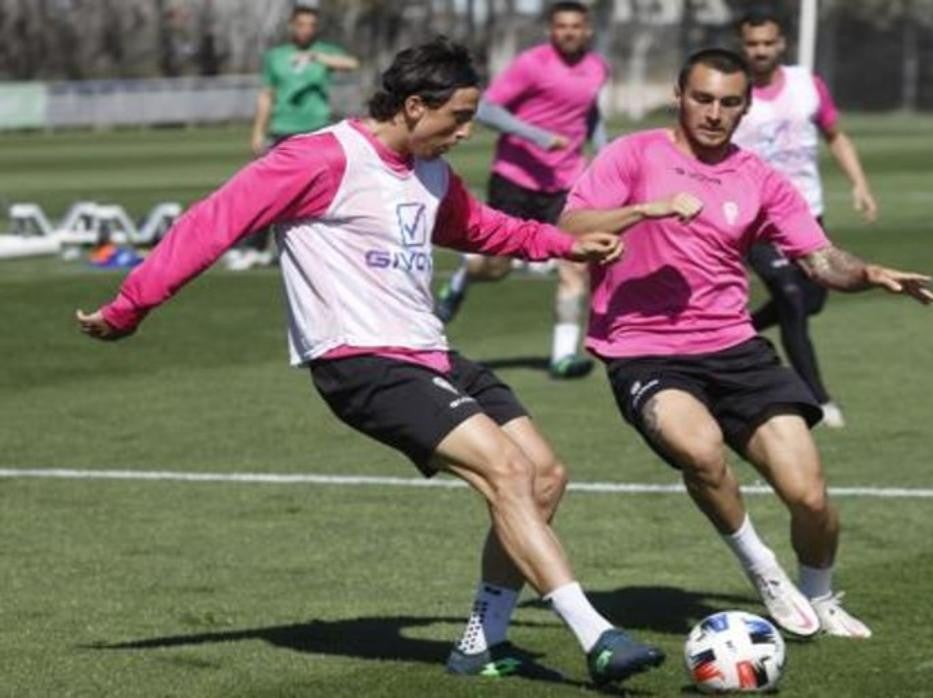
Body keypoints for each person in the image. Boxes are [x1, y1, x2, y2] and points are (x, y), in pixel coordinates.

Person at [75, 39, 664, 686]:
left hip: (429, 351)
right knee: (506, 469)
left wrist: (567, 243)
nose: (467, 132)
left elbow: (487, 230)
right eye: (458, 117)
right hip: (361, 360)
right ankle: (596, 633)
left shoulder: (429, 171)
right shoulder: (321, 158)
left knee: (546, 474)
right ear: (414, 105)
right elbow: (213, 223)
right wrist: (132, 306)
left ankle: (483, 642)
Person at [558, 49, 933, 639]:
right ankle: (762, 568)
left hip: (734, 348)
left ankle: (821, 594)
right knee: (701, 451)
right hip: (643, 350)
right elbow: (569, 228)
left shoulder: (757, 178)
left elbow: (819, 258)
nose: (713, 113)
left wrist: (866, 275)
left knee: (808, 496)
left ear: (745, 107)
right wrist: (643, 210)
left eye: (728, 103)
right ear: (680, 95)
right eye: (702, 98)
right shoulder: (631, 154)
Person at [435, 1, 610, 380]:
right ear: (550, 29)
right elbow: (485, 109)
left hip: (564, 182)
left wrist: (604, 149)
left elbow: (589, 111)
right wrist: (537, 136)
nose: (568, 32)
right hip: (515, 178)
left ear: (587, 30)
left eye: (576, 26)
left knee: (574, 264)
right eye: (561, 26)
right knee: (497, 266)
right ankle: (464, 278)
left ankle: (562, 357)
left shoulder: (598, 67)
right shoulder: (532, 64)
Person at [733, 8, 879, 429]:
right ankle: (818, 397)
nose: (760, 51)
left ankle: (743, 328)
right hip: (755, 221)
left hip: (806, 213)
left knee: (813, 298)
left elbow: (836, 135)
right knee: (792, 297)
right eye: (752, 44)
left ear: (781, 43)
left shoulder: (806, 85)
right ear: (742, 46)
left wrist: (860, 184)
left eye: (767, 43)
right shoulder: (734, 94)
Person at [226, 4, 360, 271]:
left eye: (311, 25)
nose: (306, 30)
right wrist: (257, 132)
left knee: (324, 193)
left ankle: (326, 248)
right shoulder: (276, 57)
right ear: (292, 26)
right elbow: (267, 94)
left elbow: (352, 64)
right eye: (301, 24)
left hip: (318, 130)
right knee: (269, 191)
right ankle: (254, 248)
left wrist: (317, 58)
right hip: (283, 129)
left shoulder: (324, 52)